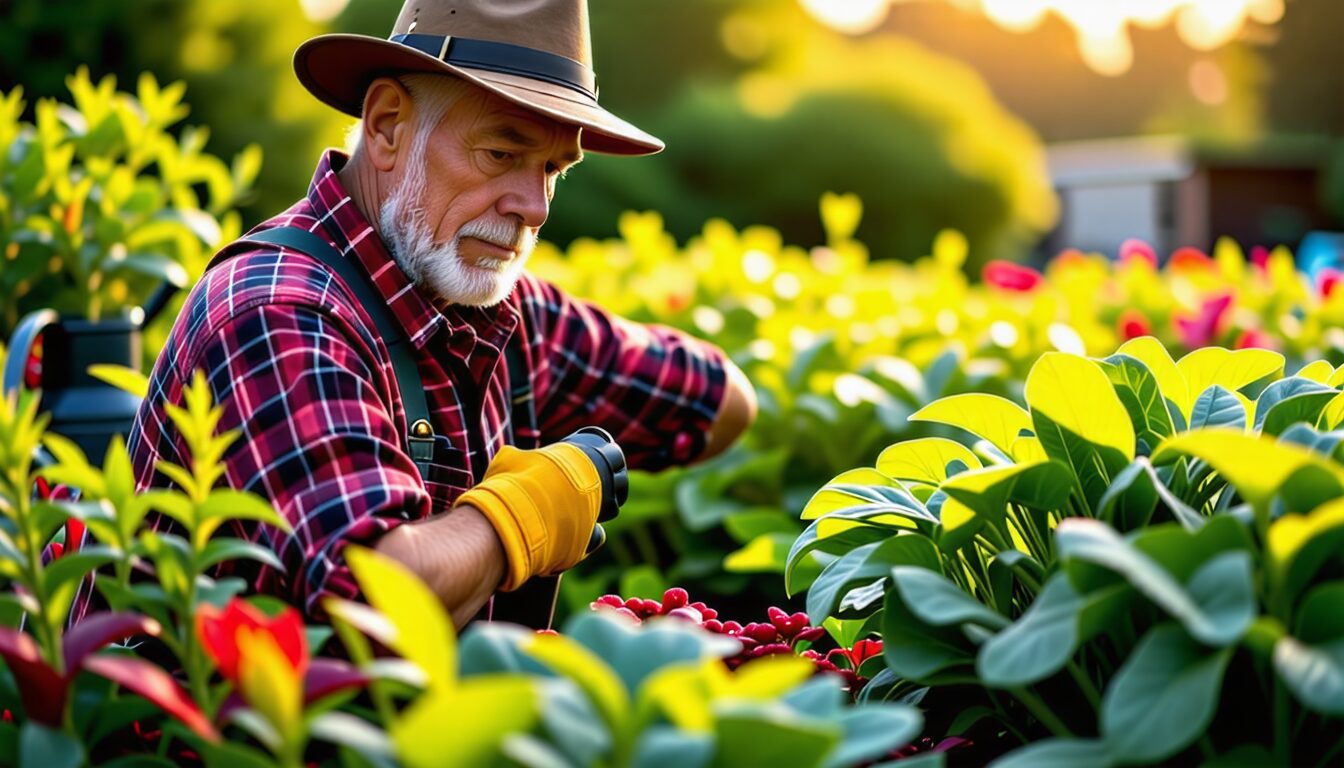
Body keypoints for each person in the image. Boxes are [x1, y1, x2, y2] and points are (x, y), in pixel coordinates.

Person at [120, 0, 756, 628]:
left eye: (553, 169)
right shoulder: (277, 311)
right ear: (389, 125)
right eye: (502, 154)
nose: (534, 207)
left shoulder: (496, 309)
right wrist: (527, 511)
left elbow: (723, 401)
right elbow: (373, 594)